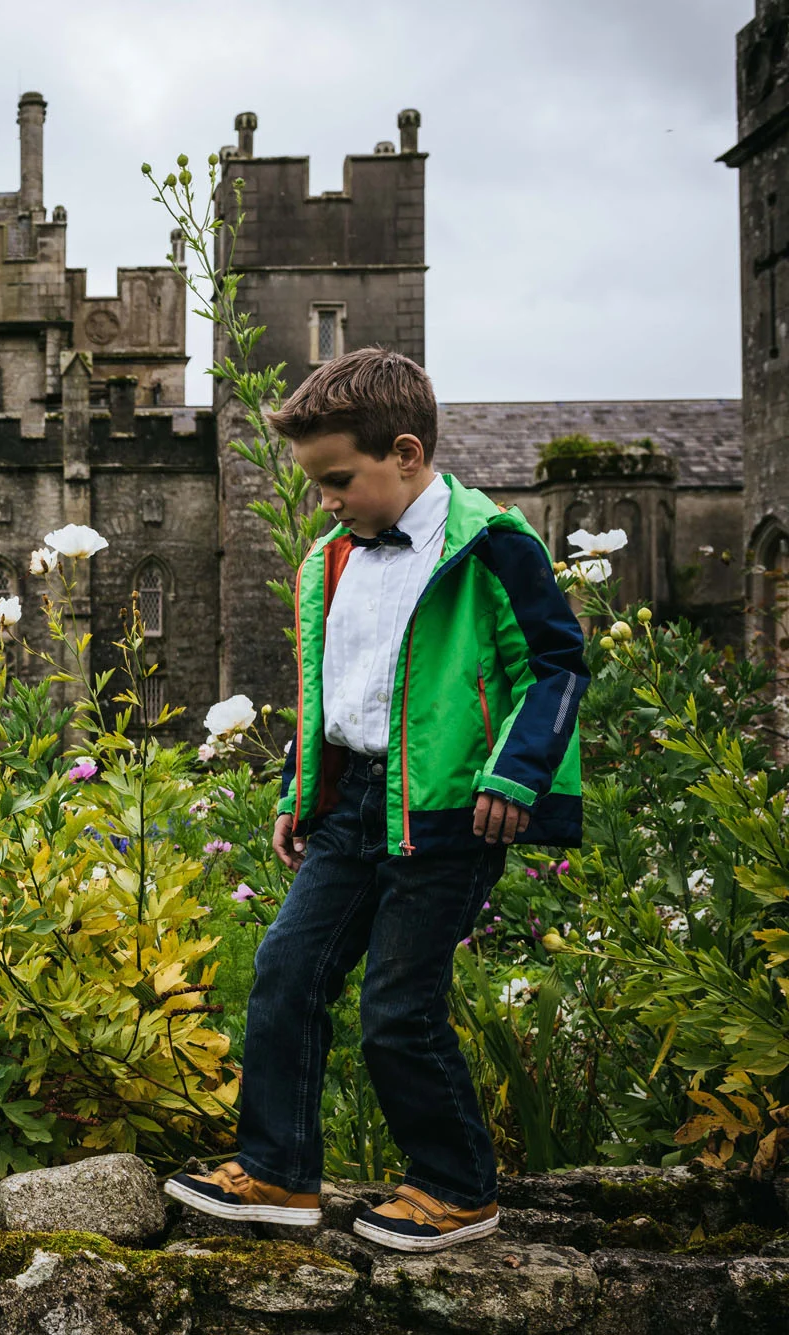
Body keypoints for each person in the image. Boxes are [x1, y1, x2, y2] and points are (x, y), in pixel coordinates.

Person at [164, 347, 588, 1252]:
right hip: (353, 804)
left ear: (405, 453)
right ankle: (277, 1171)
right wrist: (300, 787)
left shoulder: (493, 545)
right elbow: (334, 689)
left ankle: (457, 1187)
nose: (326, 501)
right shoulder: (330, 561)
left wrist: (515, 773)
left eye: (338, 480)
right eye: (317, 484)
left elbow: (555, 666)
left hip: (449, 812)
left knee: (399, 1006)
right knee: (286, 970)